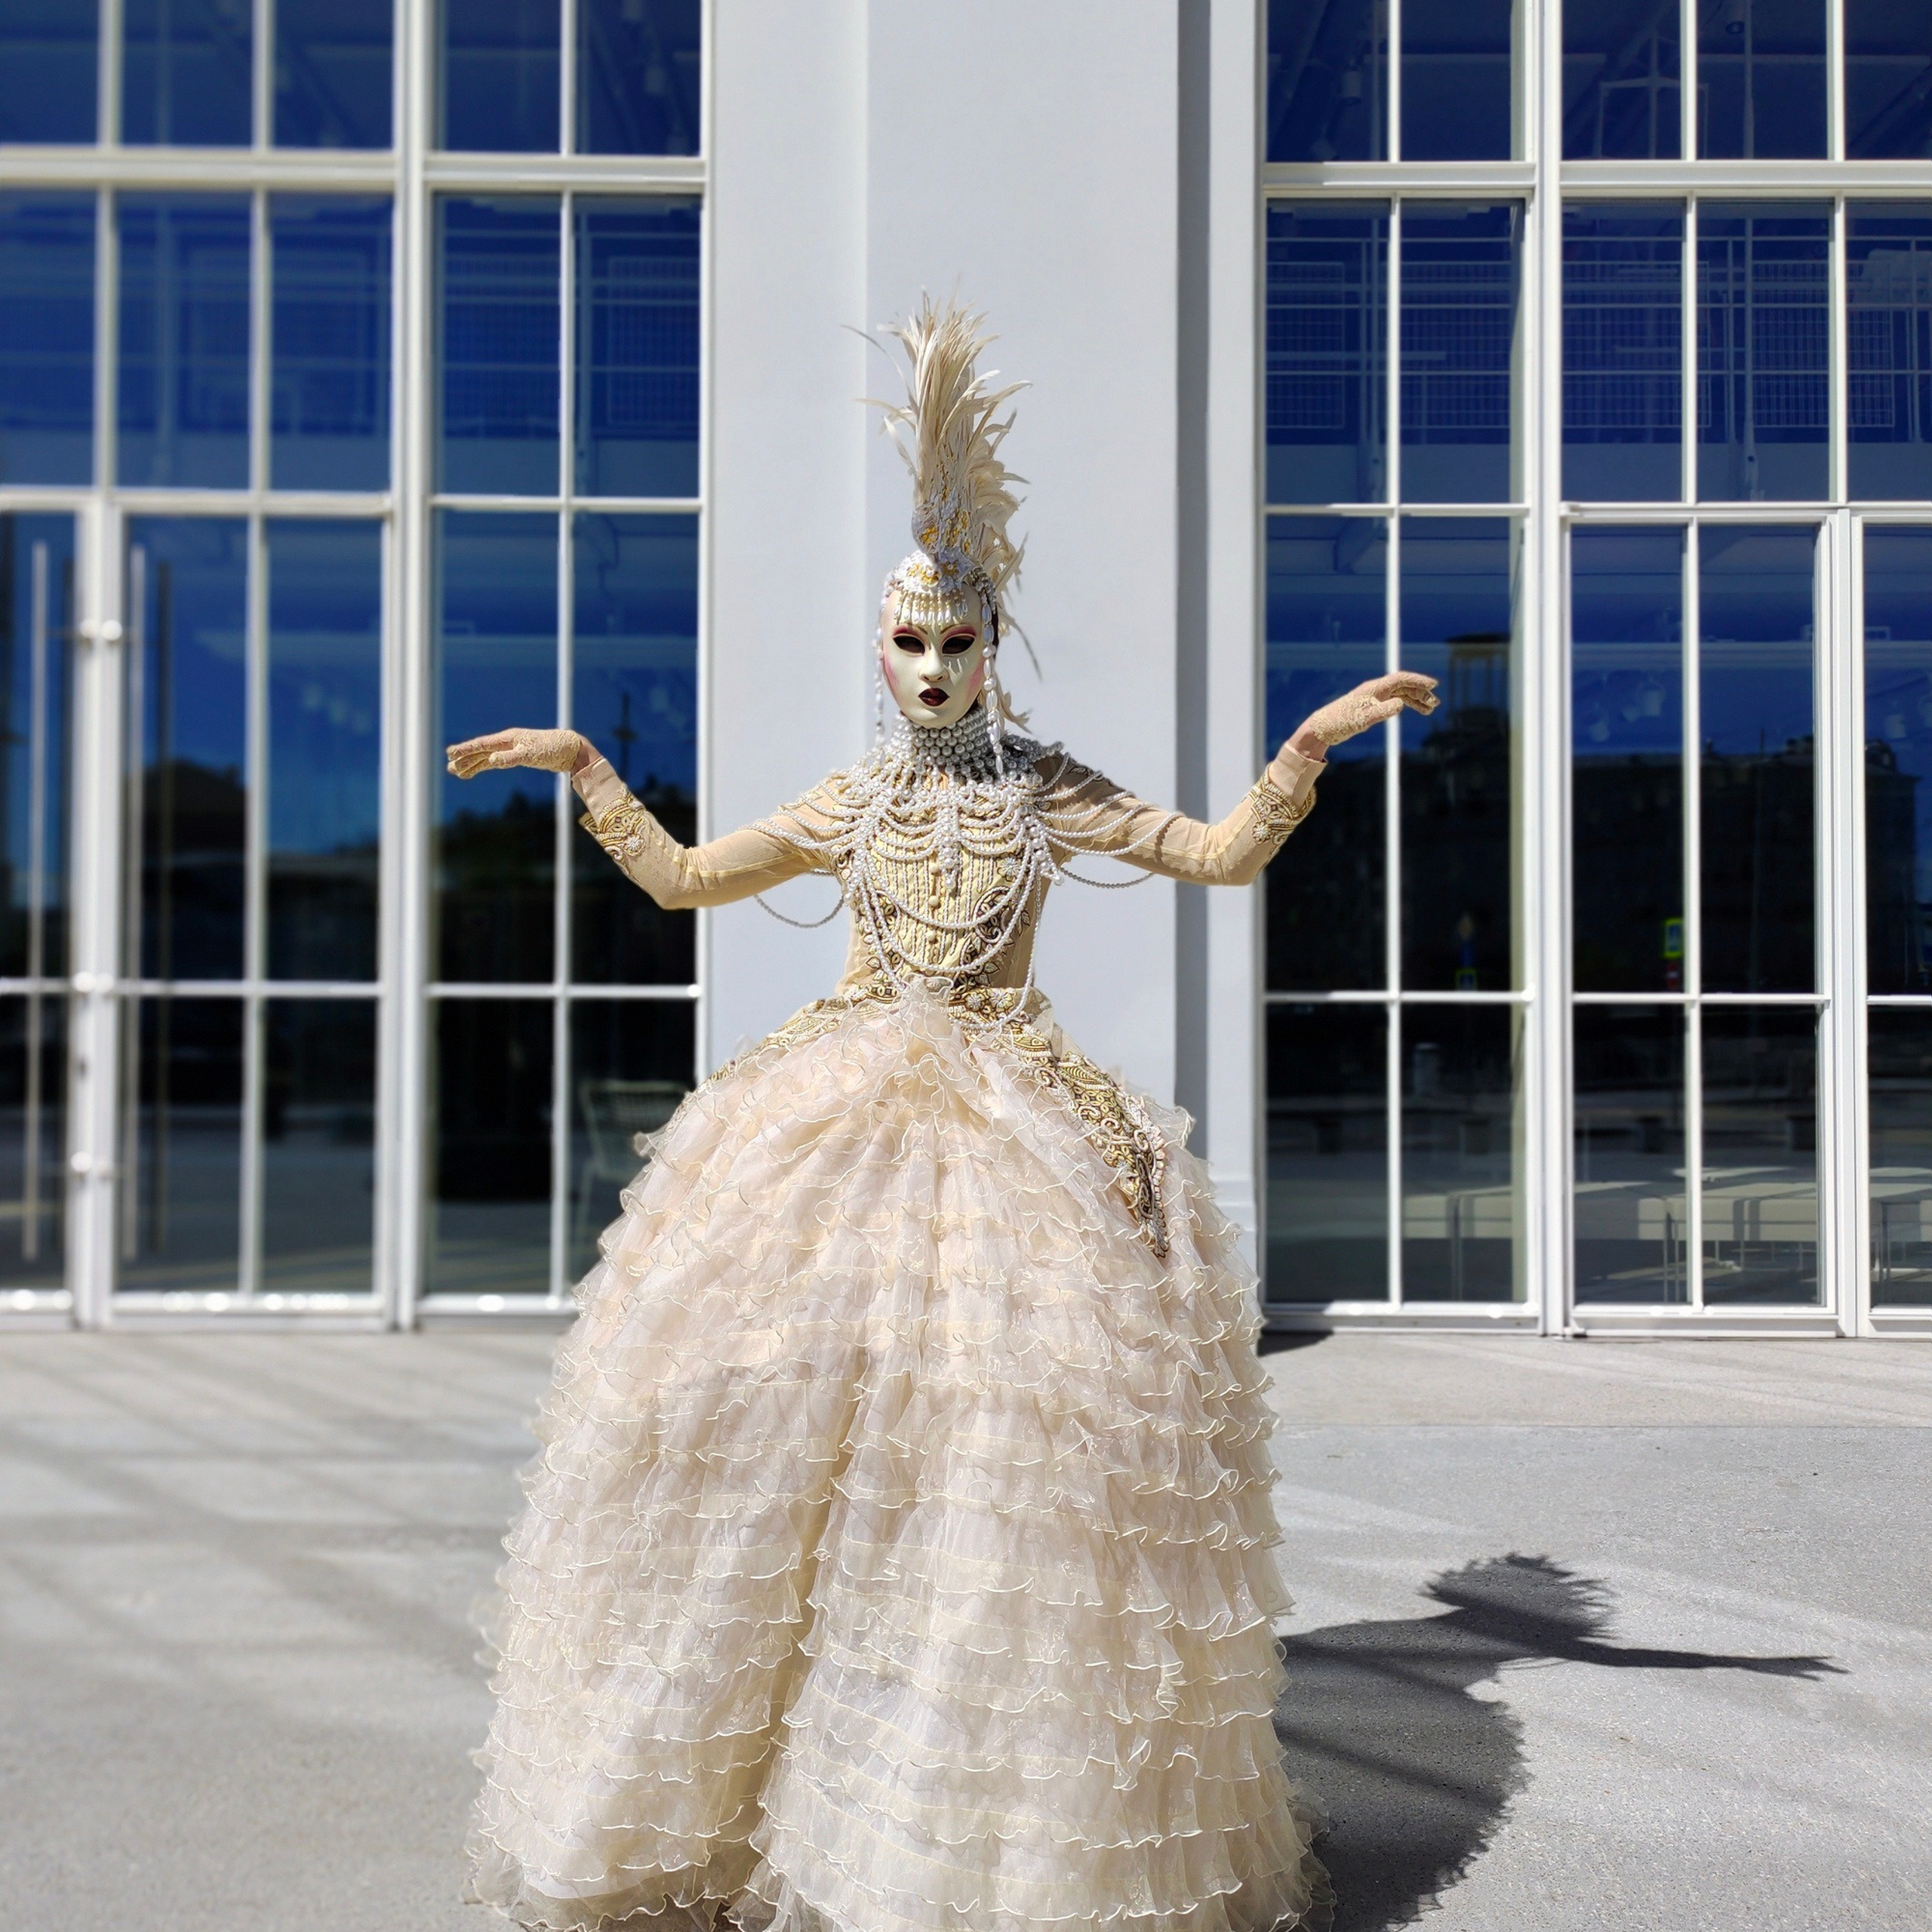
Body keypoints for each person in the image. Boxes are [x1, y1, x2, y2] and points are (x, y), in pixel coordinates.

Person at [448, 298, 1436, 1932]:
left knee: (1013, 1455)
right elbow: (692, 882)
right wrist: (583, 767)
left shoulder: (1043, 782)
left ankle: (953, 1820)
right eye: (903, 643)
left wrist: (1305, 747)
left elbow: (1213, 855)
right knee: (748, 1437)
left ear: (991, 644)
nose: (925, 666)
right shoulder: (851, 796)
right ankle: (725, 1798)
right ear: (878, 648)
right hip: (833, 1121)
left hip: (1010, 1124)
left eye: (953, 643)